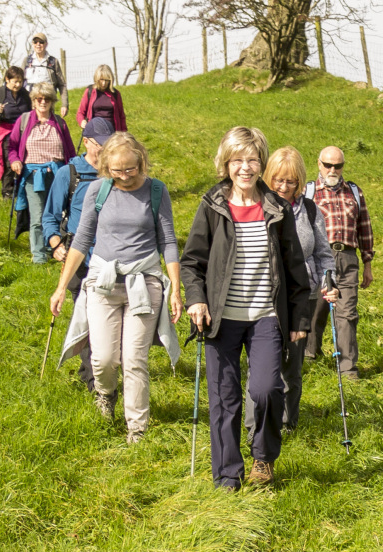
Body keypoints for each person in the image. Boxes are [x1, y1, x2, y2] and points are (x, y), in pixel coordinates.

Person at [180, 127, 311, 490]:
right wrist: (196, 299)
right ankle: (227, 476)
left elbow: (296, 268)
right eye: (237, 159)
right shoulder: (212, 206)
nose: (245, 167)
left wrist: (299, 319)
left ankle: (263, 458)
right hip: (220, 318)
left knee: (267, 389)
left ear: (261, 163)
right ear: (226, 164)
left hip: (266, 317)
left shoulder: (277, 209)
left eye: (252, 159)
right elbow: (192, 263)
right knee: (224, 398)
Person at [50, 132, 183, 444]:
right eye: (116, 171)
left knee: (135, 359)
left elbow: (169, 242)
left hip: (144, 282)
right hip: (102, 282)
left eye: (130, 170)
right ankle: (106, 394)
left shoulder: (156, 191)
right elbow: (82, 241)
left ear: (141, 162)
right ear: (105, 165)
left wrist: (175, 289)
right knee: (104, 359)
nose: (123, 176)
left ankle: (137, 429)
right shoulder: (98, 190)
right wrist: (60, 288)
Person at [244, 146, 338, 437]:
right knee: (260, 363)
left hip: (302, 296)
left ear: (300, 182)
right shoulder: (256, 207)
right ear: (268, 178)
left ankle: (286, 423)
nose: (284, 187)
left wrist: (328, 281)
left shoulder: (309, 210)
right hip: (263, 294)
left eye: (291, 181)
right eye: (278, 180)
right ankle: (254, 424)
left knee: (292, 365)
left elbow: (323, 253)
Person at [43, 117, 115, 392]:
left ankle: (94, 370)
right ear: (86, 142)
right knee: (89, 317)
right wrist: (55, 243)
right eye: (100, 146)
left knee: (108, 320)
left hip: (111, 258)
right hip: (79, 260)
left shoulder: (117, 172)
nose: (105, 151)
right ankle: (94, 380)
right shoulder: (69, 173)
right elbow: (49, 216)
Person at [305, 146, 375, 380]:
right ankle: (309, 356)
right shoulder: (309, 191)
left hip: (347, 258)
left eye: (338, 165)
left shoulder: (354, 192)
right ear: (319, 164)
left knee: (347, 314)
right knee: (316, 309)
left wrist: (368, 263)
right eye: (328, 165)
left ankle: (347, 368)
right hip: (317, 258)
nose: (332, 170)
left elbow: (364, 227)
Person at [8, 82, 75, 264]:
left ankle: (54, 248)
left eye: (47, 99)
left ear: (52, 101)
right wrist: (14, 160)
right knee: (37, 216)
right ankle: (39, 256)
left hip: (57, 174)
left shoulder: (60, 123)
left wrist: (73, 172)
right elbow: (12, 146)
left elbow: (69, 150)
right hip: (33, 175)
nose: (43, 102)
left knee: (57, 214)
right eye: (39, 99)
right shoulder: (24, 120)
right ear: (34, 101)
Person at [0, 66, 32, 200]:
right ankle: (7, 192)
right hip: (6, 133)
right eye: (15, 81)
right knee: (8, 162)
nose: (18, 85)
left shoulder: (25, 94)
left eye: (20, 81)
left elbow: (30, 113)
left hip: (23, 131)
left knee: (24, 159)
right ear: (7, 79)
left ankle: (20, 189)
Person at [21, 32, 68, 118]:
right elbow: (20, 81)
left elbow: (62, 84)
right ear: (32, 44)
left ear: (46, 44)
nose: (38, 44)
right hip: (28, 101)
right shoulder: (27, 61)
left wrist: (64, 104)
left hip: (46, 100)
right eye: (35, 42)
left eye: (41, 42)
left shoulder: (53, 62)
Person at [76, 64, 127, 132]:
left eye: (106, 80)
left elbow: (121, 116)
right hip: (94, 132)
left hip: (112, 133)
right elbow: (80, 112)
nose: (103, 83)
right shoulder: (90, 91)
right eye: (101, 80)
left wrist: (124, 133)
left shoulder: (116, 94)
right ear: (97, 79)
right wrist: (82, 121)